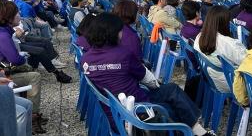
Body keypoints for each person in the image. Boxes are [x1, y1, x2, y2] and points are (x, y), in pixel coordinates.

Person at [81, 14, 212, 136]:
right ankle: (197, 130)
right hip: (138, 112)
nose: (121, 34)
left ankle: (196, 130)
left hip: (114, 113)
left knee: (171, 92)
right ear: (112, 33)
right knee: (172, 98)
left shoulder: (85, 59)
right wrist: (157, 84)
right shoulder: (122, 54)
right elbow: (146, 79)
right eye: (120, 31)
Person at [0, 0, 49, 131]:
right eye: (16, 14)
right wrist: (22, 56)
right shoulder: (3, 36)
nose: (19, 15)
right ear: (8, 18)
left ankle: (30, 111)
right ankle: (33, 116)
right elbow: (16, 60)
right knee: (34, 77)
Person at [194, 6, 247, 93]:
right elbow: (247, 62)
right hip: (231, 83)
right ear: (224, 23)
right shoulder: (228, 43)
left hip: (213, 79)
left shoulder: (199, 37)